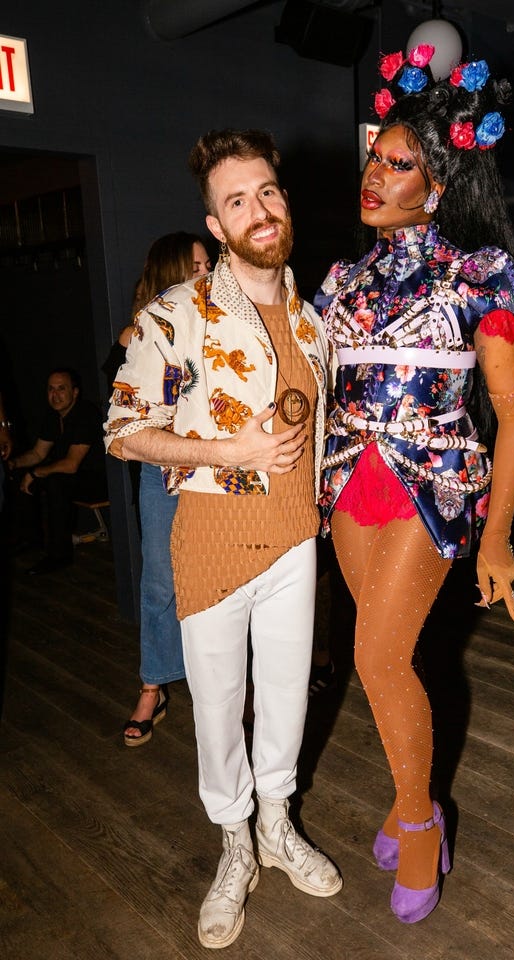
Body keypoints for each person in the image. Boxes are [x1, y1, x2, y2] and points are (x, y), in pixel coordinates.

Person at [314, 48, 514, 925]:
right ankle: (414, 797)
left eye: (398, 164)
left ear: (437, 186)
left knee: (377, 657)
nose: (374, 175)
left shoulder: (476, 277)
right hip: (348, 484)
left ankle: (419, 827)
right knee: (385, 663)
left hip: (433, 488)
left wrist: (498, 536)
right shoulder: (341, 282)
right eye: (375, 156)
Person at [105, 129, 341, 949]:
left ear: (284, 201)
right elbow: (123, 432)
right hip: (210, 547)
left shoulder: (313, 325)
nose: (257, 209)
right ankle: (235, 844)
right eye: (236, 200)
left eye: (266, 191)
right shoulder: (177, 314)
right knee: (216, 713)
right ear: (215, 224)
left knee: (285, 700)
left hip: (294, 543)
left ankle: (275, 827)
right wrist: (230, 452)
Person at [103, 232, 212, 747]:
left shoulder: (222, 322)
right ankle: (153, 686)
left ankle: (225, 687)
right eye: (196, 265)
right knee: (159, 582)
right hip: (161, 470)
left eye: (208, 264)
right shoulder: (141, 331)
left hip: (217, 467)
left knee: (220, 579)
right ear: (173, 273)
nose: (206, 272)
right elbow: (124, 412)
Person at [8, 368, 106, 574]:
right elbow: (37, 453)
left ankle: (59, 556)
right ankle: (30, 539)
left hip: (100, 480)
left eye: (61, 389)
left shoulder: (85, 414)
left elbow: (71, 464)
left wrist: (35, 473)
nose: (55, 395)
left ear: (75, 392)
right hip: (72, 476)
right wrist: (13, 464)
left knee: (55, 482)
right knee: (18, 475)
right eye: (51, 389)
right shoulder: (53, 416)